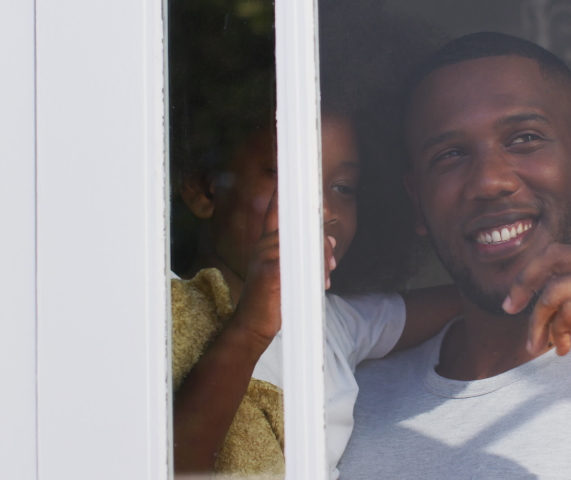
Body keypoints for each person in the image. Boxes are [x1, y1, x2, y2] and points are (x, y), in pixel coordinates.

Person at [338, 32, 571, 480]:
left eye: (524, 138)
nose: (489, 181)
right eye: (450, 154)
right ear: (417, 201)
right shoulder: (345, 406)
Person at [168, 2, 460, 477]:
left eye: (343, 188)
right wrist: (249, 332)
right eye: (287, 176)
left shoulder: (332, 325)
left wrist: (535, 280)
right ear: (204, 188)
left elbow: (466, 302)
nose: (322, 209)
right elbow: (165, 462)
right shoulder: (161, 313)